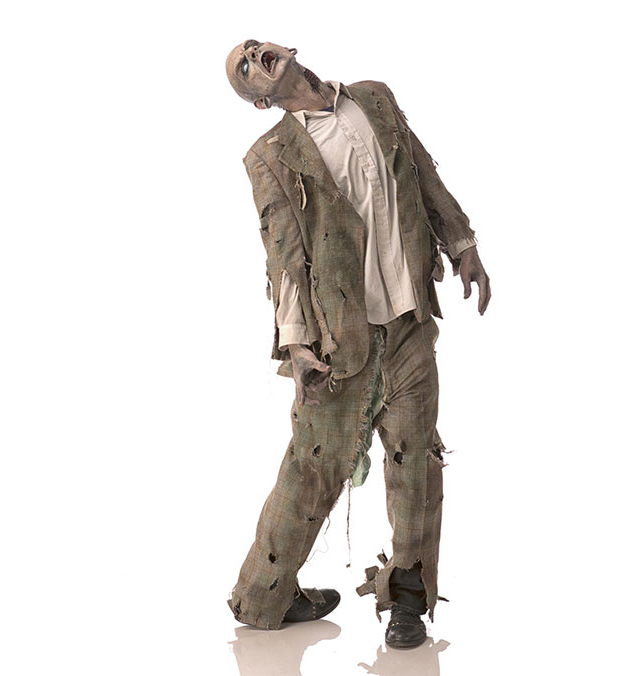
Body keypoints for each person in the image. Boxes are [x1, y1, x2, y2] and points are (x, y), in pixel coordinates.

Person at [223, 39, 491, 649]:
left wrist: (463, 244)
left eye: (256, 48)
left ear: (286, 49)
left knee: (416, 461)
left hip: (411, 322)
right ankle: (263, 596)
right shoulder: (270, 155)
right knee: (312, 469)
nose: (255, 57)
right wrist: (296, 346)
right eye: (244, 67)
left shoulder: (375, 99)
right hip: (340, 344)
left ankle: (408, 603)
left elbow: (422, 174)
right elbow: (283, 259)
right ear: (259, 100)